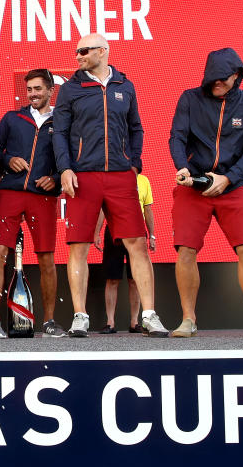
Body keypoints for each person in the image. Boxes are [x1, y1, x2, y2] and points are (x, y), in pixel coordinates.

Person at [52, 33, 166, 338]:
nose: (78, 56)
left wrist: (134, 163)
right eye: (76, 51)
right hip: (83, 175)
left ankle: (150, 315)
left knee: (137, 244)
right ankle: (79, 316)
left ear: (103, 51)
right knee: (79, 245)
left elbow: (136, 127)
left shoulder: (124, 86)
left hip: (120, 175)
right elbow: (59, 132)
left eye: (84, 51)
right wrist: (64, 168)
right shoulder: (70, 89)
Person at [169, 47, 243, 338]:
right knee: (186, 250)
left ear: (237, 75)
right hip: (194, 185)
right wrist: (182, 168)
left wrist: (228, 178)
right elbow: (177, 137)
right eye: (212, 79)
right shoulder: (190, 98)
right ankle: (188, 319)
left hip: (233, 185)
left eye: (223, 79)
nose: (217, 84)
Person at [0, 69, 62, 339]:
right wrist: (8, 161)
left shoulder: (62, 122)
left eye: (38, 89)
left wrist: (56, 180)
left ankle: (50, 322)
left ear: (51, 90)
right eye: (29, 89)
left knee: (47, 258)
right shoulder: (11, 118)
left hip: (43, 196)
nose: (33, 94)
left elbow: (70, 160)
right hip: (9, 193)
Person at [95, 173, 156, 334]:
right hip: (114, 229)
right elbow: (103, 209)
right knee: (112, 278)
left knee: (134, 280)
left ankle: (135, 322)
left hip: (137, 229)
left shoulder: (143, 180)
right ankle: (110, 322)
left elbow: (148, 208)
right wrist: (96, 233)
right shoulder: (112, 177)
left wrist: (152, 235)